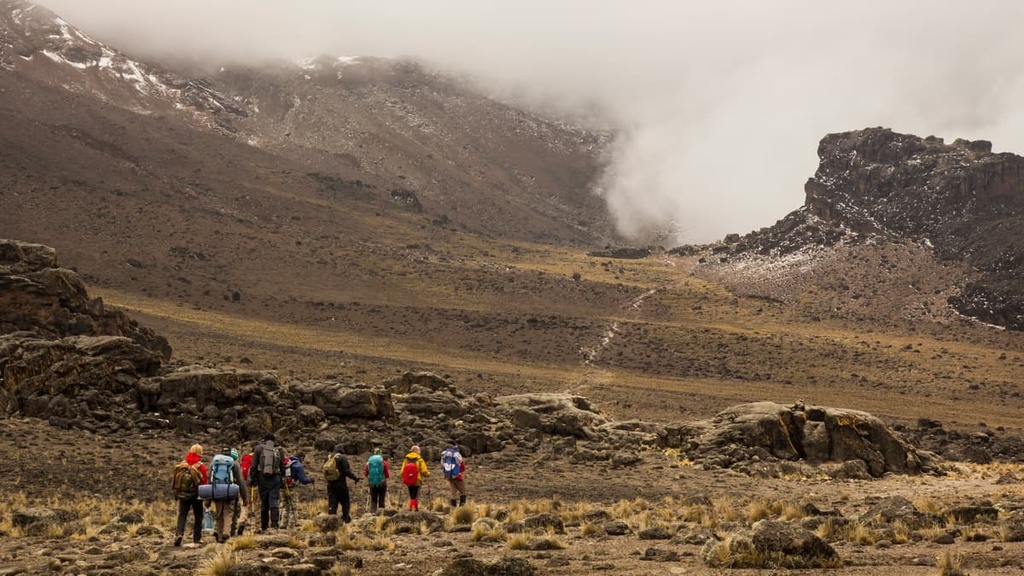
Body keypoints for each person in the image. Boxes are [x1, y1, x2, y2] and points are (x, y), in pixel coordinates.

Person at [210, 446, 249, 543]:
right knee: (228, 512)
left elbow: (209, 478)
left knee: (219, 513)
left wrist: (209, 497)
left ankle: (219, 534)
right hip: (230, 491)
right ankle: (226, 533)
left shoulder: (215, 462)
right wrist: (245, 497)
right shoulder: (234, 463)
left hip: (217, 490)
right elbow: (240, 481)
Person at [173, 443, 208, 548]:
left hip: (183, 494)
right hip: (196, 495)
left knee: (182, 515)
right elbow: (204, 482)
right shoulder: (201, 466)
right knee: (198, 516)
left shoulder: (182, 465)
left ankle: (179, 534)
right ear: (200, 453)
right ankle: (197, 538)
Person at [250, 433, 286, 532]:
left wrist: (252, 479)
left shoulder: (258, 449)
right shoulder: (280, 450)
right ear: (274, 440)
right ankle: (274, 525)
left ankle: (264, 526)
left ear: (264, 440)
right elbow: (283, 466)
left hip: (262, 479)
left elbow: (253, 466)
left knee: (264, 501)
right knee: (274, 500)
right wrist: (283, 478)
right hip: (276, 478)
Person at [325, 443, 360, 522]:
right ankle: (346, 519)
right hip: (341, 484)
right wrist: (355, 478)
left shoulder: (328, 458)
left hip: (330, 484)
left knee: (332, 502)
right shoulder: (342, 458)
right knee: (345, 501)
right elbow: (347, 471)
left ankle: (331, 520)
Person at [281, 451, 314, 529]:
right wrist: (310, 480)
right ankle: (291, 525)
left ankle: (283, 523)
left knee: (285, 506)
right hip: (292, 488)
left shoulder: (286, 462)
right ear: (302, 457)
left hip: (283, 487)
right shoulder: (298, 465)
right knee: (293, 506)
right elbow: (303, 480)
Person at [400, 445, 430, 512]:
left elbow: (402, 471)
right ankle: (415, 508)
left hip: (408, 480)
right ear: (416, 451)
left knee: (411, 494)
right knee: (416, 494)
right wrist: (428, 474)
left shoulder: (406, 459)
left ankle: (411, 507)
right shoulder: (420, 459)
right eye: (419, 450)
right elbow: (424, 471)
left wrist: (404, 477)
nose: (420, 452)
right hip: (417, 479)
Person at [364, 448, 390, 514]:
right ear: (380, 454)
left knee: (373, 499)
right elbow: (387, 475)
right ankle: (381, 514)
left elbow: (366, 473)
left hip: (372, 483)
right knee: (381, 499)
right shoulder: (384, 463)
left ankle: (373, 513)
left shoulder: (369, 463)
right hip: (382, 482)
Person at [440, 442, 467, 508]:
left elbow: (442, 465)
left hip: (449, 476)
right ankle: (461, 507)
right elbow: (463, 468)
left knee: (453, 493)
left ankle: (453, 508)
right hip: (458, 477)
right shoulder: (457, 457)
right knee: (463, 492)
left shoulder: (445, 456)